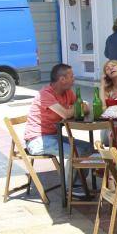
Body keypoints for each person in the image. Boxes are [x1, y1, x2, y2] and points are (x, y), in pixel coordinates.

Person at [24, 64, 92, 196]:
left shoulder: (68, 93)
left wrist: (75, 109)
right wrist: (75, 109)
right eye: (71, 76)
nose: (74, 79)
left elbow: (86, 105)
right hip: (37, 140)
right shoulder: (45, 94)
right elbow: (66, 114)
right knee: (75, 152)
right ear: (62, 79)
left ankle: (77, 183)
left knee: (87, 148)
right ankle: (69, 190)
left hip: (53, 136)